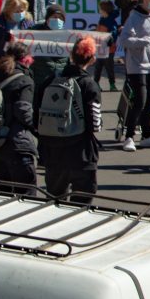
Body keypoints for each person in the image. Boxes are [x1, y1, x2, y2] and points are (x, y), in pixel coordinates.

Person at [34, 37, 102, 203]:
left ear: (71, 55)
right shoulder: (89, 84)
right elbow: (95, 124)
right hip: (80, 152)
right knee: (83, 198)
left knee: (55, 198)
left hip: (51, 150)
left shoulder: (50, 81)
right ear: (92, 59)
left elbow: (36, 114)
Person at [0, 44, 37, 195]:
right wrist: (37, 129)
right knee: (27, 196)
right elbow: (23, 110)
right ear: (26, 59)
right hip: (17, 143)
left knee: (3, 195)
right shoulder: (24, 80)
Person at [119, 0, 150, 152]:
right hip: (137, 66)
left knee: (148, 103)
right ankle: (129, 136)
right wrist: (142, 41)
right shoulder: (133, 16)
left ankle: (147, 136)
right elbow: (124, 40)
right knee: (139, 101)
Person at [92, 0, 121, 92]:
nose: (99, 11)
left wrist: (108, 40)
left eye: (100, 9)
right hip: (100, 49)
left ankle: (112, 85)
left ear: (104, 10)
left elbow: (113, 34)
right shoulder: (102, 19)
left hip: (109, 50)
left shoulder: (110, 21)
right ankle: (95, 84)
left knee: (109, 68)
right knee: (97, 68)